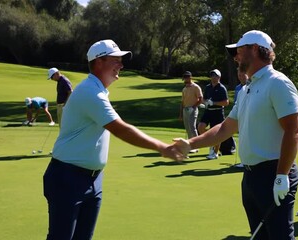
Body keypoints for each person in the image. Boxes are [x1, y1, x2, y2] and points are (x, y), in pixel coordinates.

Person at [43, 39, 184, 240]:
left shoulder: (98, 91)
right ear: (99, 62)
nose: (121, 65)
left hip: (93, 179)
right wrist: (162, 147)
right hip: (67, 177)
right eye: (116, 60)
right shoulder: (90, 92)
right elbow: (121, 129)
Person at [174, 30, 298, 239]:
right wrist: (191, 143)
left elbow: (293, 131)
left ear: (254, 49)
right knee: (259, 236)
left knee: (280, 236)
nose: (236, 57)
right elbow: (225, 128)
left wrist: (282, 175)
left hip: (274, 173)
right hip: (250, 176)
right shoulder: (246, 89)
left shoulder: (278, 83)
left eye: (239, 51)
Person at [198, 69, 229, 159]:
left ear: (219, 77)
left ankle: (215, 152)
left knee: (217, 133)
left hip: (218, 112)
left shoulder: (222, 88)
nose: (213, 77)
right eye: (212, 75)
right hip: (208, 111)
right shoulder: (208, 87)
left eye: (215, 75)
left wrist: (214, 103)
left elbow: (226, 102)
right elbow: (203, 99)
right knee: (200, 127)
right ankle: (211, 142)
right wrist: (206, 102)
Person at [179, 71, 203, 153]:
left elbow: (200, 99)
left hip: (193, 109)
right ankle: (190, 145)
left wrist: (193, 107)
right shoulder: (184, 89)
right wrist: (181, 114)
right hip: (185, 109)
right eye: (184, 78)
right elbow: (182, 102)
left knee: (192, 127)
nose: (185, 80)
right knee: (187, 128)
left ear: (190, 77)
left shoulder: (196, 87)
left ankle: (196, 146)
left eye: (186, 78)